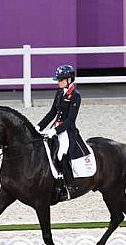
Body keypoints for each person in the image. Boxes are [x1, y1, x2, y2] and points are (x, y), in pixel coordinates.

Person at [37, 64, 89, 199]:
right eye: (59, 80)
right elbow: (52, 112)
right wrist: (39, 127)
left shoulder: (75, 96)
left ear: (69, 80)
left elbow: (70, 120)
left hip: (67, 131)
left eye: (61, 80)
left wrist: (55, 130)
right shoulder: (59, 92)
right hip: (55, 128)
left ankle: (70, 186)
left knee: (61, 155)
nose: (59, 82)